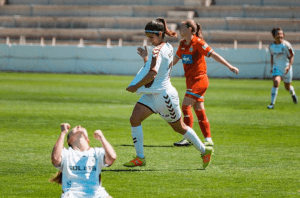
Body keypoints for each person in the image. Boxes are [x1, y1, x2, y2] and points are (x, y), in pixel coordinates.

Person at [123, 17, 213, 169]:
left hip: (165, 97)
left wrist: (135, 86)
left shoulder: (158, 50)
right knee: (134, 119)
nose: (150, 40)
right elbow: (157, 69)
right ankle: (140, 158)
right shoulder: (168, 47)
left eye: (151, 37)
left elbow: (152, 73)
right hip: (152, 94)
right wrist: (146, 57)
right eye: (148, 37)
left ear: (159, 34)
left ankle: (205, 151)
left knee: (180, 128)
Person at [173, 20, 239, 147]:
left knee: (186, 107)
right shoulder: (182, 44)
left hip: (199, 80)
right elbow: (174, 61)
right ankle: (208, 139)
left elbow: (213, 54)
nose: (179, 30)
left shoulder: (198, 42)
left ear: (190, 30)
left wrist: (229, 66)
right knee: (199, 110)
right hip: (190, 81)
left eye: (182, 27)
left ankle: (188, 138)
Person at [50, 123, 117, 198]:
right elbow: (55, 159)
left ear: (87, 139)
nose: (79, 126)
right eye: (75, 128)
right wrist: (63, 133)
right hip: (71, 194)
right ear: (69, 140)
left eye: (82, 127)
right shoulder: (66, 153)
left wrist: (102, 137)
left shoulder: (97, 152)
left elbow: (112, 157)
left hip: (98, 194)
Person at [267, 27, 297, 109]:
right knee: (276, 82)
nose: (280, 35)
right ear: (273, 36)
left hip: (286, 68)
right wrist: (272, 66)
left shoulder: (286, 45)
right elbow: (272, 56)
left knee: (287, 87)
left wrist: (289, 66)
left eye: (281, 34)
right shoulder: (271, 46)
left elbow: (291, 56)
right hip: (277, 68)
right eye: (278, 34)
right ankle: (272, 104)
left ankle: (293, 93)